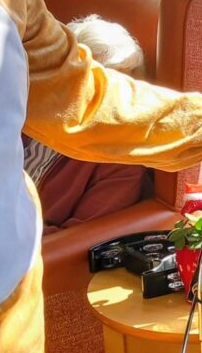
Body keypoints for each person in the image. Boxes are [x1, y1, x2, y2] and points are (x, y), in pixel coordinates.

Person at [23, 15, 150, 232]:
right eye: (94, 81)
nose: (109, 96)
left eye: (122, 83)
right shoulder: (25, 111)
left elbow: (78, 236)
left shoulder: (119, 158)